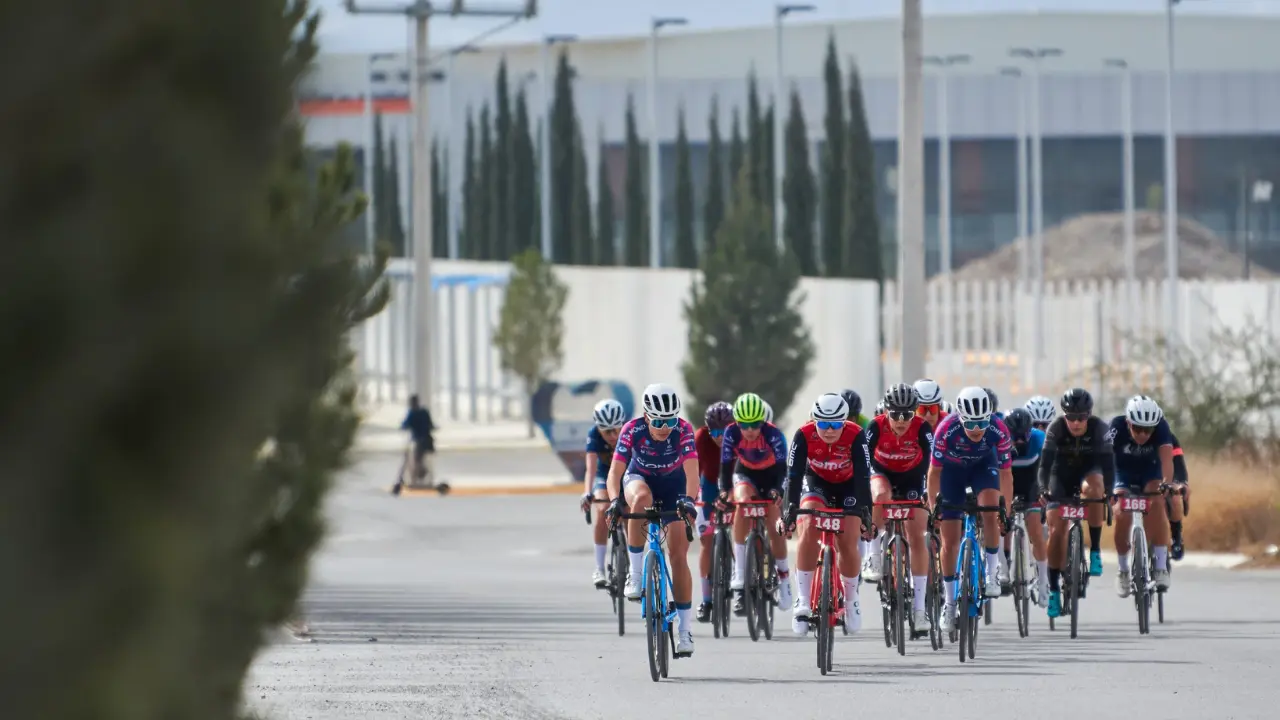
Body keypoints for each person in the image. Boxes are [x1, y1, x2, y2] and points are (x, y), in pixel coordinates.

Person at [606, 383, 701, 656]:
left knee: (679, 557)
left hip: (675, 486)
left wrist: (690, 501)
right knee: (640, 500)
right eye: (658, 420)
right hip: (640, 479)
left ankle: (684, 631)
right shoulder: (632, 430)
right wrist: (614, 501)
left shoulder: (683, 430)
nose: (664, 427)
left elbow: (693, 472)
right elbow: (615, 472)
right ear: (646, 416)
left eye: (670, 420)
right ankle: (635, 576)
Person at [777, 393, 873, 635]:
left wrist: (866, 513)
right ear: (814, 421)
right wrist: (788, 512)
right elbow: (794, 476)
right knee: (807, 524)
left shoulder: (856, 435)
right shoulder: (803, 435)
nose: (830, 430)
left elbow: (863, 476)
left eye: (836, 424)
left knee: (848, 538)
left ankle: (851, 601)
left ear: (845, 422)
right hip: (816, 481)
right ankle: (802, 598)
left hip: (849, 485)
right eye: (823, 424)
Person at [928, 387, 1010, 634]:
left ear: (990, 417)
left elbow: (1006, 474)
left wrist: (1004, 508)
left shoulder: (998, 429)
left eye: (982, 422)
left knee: (990, 508)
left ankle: (993, 571)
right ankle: (950, 603)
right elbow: (934, 474)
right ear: (960, 418)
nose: (977, 429)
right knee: (949, 540)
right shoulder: (945, 429)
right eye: (971, 423)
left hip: (983, 468)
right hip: (951, 473)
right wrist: (934, 509)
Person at [861, 383, 935, 631]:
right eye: (895, 415)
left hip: (913, 476)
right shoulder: (875, 426)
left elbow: (931, 464)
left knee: (917, 535)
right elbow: (864, 461)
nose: (901, 421)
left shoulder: (923, 429)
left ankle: (920, 609)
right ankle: (873, 555)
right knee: (881, 494)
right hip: (882, 473)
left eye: (907, 415)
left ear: (915, 413)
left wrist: (926, 491)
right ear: (886, 412)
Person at [1037, 387, 1115, 619]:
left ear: (1089, 415)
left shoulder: (1100, 429)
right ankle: (1053, 591)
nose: (1077, 423)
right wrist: (1042, 489)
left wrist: (1109, 492)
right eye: (1071, 417)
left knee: (1095, 488)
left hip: (1089, 473)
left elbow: (1109, 464)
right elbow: (1044, 465)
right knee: (1056, 529)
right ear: (1064, 416)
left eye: (1082, 417)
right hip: (1059, 476)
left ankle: (1096, 552)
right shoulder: (1055, 429)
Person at [718, 392, 792, 615]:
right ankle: (740, 572)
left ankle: (784, 578)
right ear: (736, 422)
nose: (750, 430)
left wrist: (777, 491)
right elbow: (725, 466)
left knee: (773, 521)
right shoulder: (731, 433)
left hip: (772, 476)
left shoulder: (774, 435)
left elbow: (782, 470)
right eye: (745, 424)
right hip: (746, 473)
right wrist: (723, 491)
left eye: (755, 424)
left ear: (764, 422)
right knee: (742, 502)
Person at [1109, 395, 1182, 595]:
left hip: (1151, 471)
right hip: (1122, 472)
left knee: (1158, 502)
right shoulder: (1115, 426)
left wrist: (1167, 484)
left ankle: (1160, 566)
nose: (1142, 434)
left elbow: (1167, 459)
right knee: (1121, 513)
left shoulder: (1162, 427)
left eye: (1147, 430)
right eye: (1137, 428)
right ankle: (1123, 570)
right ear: (1128, 423)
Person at [1003, 407, 1050, 606]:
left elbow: (1048, 468)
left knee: (1036, 532)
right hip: (1008, 482)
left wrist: (1045, 491)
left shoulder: (1040, 439)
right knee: (999, 521)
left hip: (1032, 482)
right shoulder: (999, 441)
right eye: (1015, 437)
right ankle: (1003, 569)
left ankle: (1043, 582)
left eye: (1024, 437)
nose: (1020, 442)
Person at [581, 399, 627, 588]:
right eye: (607, 431)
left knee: (632, 514)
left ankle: (634, 565)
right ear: (598, 428)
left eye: (617, 429)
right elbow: (590, 468)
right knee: (603, 509)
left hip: (626, 475)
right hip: (603, 476)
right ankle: (599, 568)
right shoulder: (593, 435)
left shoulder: (629, 432)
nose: (614, 435)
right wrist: (586, 492)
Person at [694, 401, 733, 622]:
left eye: (725, 431)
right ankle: (707, 600)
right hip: (708, 485)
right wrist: (691, 498)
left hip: (734, 484)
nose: (720, 437)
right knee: (706, 541)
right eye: (715, 432)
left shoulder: (738, 436)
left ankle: (746, 572)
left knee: (744, 527)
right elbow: (693, 469)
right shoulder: (701, 438)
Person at [396, 394, 435, 490]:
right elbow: (430, 424)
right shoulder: (424, 412)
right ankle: (421, 475)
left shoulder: (413, 413)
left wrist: (403, 427)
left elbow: (405, 424)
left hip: (418, 440)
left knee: (416, 459)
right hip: (427, 440)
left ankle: (416, 478)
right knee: (420, 459)